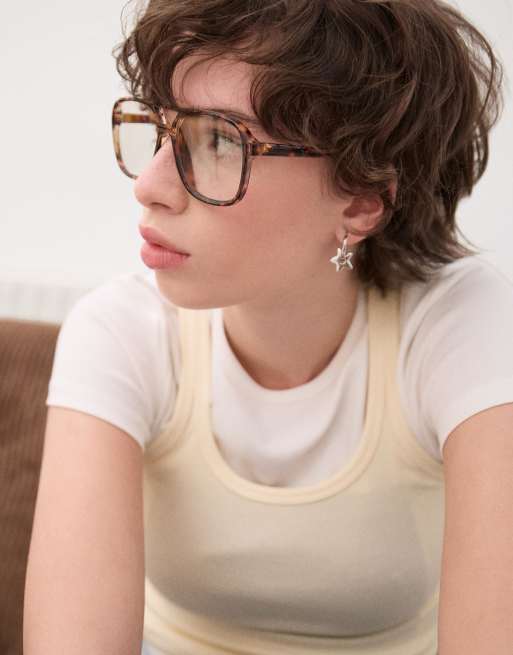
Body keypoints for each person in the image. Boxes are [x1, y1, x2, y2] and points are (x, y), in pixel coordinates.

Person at [23, 1, 513, 654]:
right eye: (162, 129)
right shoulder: (120, 331)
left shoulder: (459, 322)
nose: (150, 185)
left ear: (361, 199)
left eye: (219, 141)